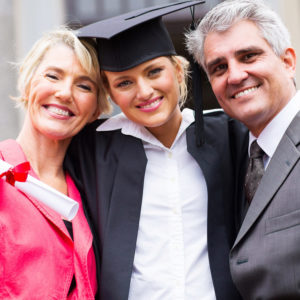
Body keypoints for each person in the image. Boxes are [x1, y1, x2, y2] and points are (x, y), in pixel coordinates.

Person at [65, 1, 247, 299]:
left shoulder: (231, 136)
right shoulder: (88, 153)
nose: (145, 91)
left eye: (153, 72)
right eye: (124, 83)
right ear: (110, 93)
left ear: (177, 70)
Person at [186, 0, 300, 298]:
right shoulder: (237, 157)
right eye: (219, 67)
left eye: (248, 56)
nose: (235, 76)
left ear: (288, 61)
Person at [0, 27, 111, 299]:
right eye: (53, 76)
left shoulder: (90, 193)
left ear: (96, 108)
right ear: (28, 82)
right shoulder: (4, 176)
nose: (64, 93)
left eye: (84, 86)